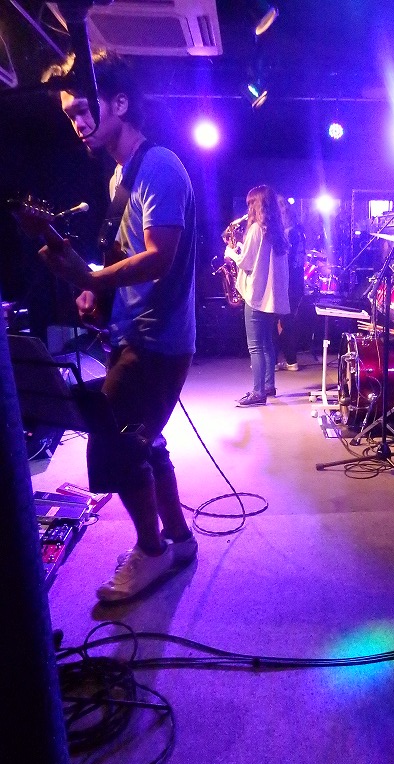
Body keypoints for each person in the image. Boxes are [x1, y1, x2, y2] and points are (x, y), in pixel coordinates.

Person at [38, 50, 198, 603]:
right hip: (132, 332)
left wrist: (90, 276)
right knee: (145, 441)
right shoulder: (118, 178)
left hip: (158, 340)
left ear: (120, 103)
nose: (78, 123)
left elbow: (159, 257)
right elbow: (125, 257)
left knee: (114, 444)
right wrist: (95, 290)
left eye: (84, 110)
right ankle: (178, 540)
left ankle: (152, 551)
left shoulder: (159, 166)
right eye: (70, 115)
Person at [225, 185, 290, 406]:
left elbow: (246, 262)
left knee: (255, 346)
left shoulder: (255, 230)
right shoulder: (278, 232)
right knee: (267, 343)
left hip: (256, 295)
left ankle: (257, 392)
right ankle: (269, 385)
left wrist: (231, 253)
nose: (248, 208)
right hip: (271, 296)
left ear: (258, 204)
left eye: (250, 203)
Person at [275, 195, 306, 371]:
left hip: (286, 282)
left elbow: (286, 261)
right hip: (295, 282)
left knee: (277, 320)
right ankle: (291, 360)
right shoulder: (297, 231)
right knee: (287, 320)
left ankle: (277, 360)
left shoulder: (287, 234)